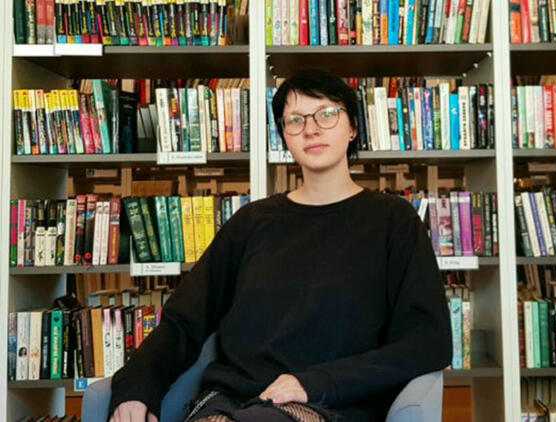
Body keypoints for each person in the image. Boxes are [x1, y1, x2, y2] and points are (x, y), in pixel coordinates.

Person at [109, 69, 452, 422]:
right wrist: (137, 385)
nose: (311, 129)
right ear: (284, 135)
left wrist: (315, 383)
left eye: (327, 114)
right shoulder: (252, 222)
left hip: (334, 402)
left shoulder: (393, 221)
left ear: (352, 127)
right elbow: (184, 321)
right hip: (234, 400)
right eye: (295, 120)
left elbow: (429, 341)